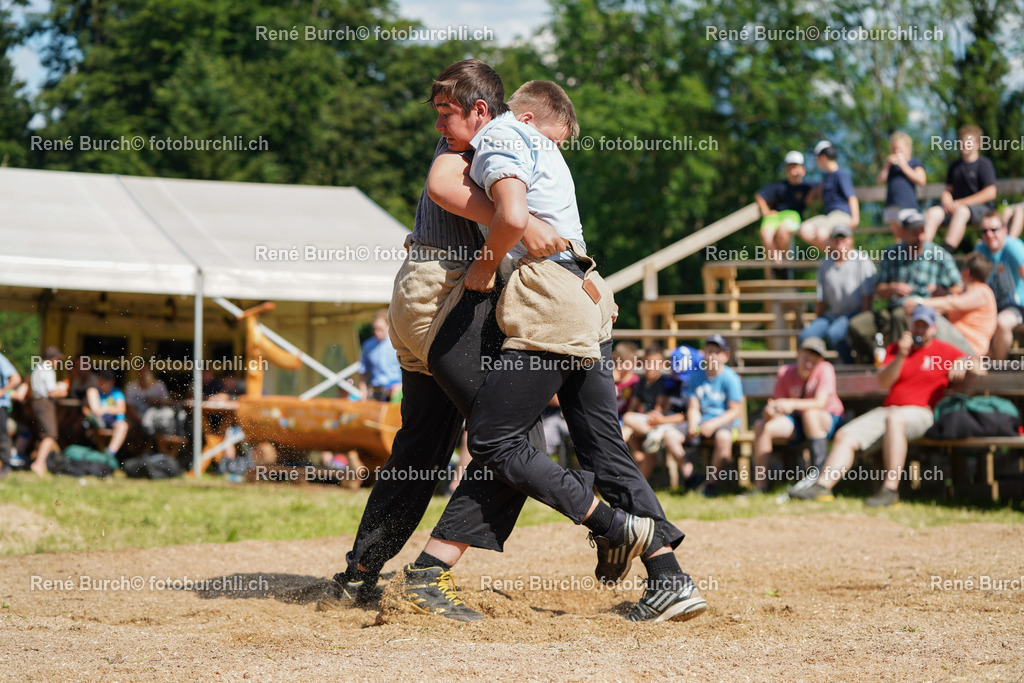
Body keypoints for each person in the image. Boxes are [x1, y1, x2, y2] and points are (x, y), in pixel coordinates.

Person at [329, 67, 700, 624]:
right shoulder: (476, 141)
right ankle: (611, 530)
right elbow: (451, 187)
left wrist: (577, 272)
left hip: (448, 296)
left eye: (444, 110)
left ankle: (363, 573)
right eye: (547, 141)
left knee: (427, 443)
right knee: (512, 440)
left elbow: (530, 221)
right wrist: (519, 230)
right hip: (447, 294)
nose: (543, 156)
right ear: (511, 117)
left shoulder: (496, 141)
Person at [792, 306, 969, 507]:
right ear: (910, 325)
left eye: (924, 326)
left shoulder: (943, 351)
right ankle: (822, 487)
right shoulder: (895, 349)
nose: (920, 330)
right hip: (889, 409)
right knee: (846, 435)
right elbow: (883, 382)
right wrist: (901, 355)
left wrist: (964, 362)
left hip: (921, 413)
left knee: (895, 420)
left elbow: (979, 365)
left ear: (933, 328)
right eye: (916, 325)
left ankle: (890, 490)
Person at [847, 209, 964, 361]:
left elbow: (959, 288)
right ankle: (878, 362)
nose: (920, 237)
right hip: (893, 309)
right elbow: (878, 290)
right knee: (856, 326)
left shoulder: (939, 254)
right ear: (903, 233)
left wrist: (941, 291)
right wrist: (893, 288)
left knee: (899, 317)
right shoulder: (891, 253)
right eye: (915, 233)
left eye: (922, 231)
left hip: (925, 312)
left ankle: (898, 365)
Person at [751, 337, 844, 494]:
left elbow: (820, 403)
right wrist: (769, 412)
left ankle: (818, 479)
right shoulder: (785, 372)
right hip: (798, 420)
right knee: (761, 426)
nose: (809, 364)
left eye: (814, 360)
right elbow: (776, 404)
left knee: (811, 415)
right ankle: (760, 487)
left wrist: (791, 403)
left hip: (828, 419)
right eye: (806, 358)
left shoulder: (826, 369)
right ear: (798, 354)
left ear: (821, 360)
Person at [799, 224, 876, 363]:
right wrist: (816, 321)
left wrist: (864, 322)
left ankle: (849, 366)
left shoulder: (862, 260)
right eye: (837, 238)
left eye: (844, 238)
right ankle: (811, 370)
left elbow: (867, 297)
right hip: (833, 315)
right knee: (806, 336)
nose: (840, 241)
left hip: (855, 313)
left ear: (851, 239)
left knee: (834, 333)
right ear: (831, 241)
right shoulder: (825, 264)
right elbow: (821, 300)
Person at [902, 252, 997, 359]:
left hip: (970, 349)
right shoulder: (965, 293)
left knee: (929, 316)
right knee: (921, 315)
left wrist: (919, 302)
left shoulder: (982, 291)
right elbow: (948, 302)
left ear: (966, 272)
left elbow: (950, 304)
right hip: (959, 342)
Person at [685, 335, 744, 497]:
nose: (712, 356)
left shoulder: (731, 378)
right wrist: (692, 423)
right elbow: (693, 407)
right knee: (671, 435)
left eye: (716, 352)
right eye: (709, 351)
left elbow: (734, 411)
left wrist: (713, 424)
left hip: (725, 422)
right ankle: (691, 477)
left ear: (726, 356)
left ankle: (711, 484)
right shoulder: (695, 377)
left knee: (724, 438)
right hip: (701, 422)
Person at [923, 125, 997, 253]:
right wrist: (946, 199)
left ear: (978, 144)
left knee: (962, 211)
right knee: (932, 212)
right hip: (956, 208)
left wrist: (961, 203)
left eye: (968, 142)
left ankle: (946, 254)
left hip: (982, 209)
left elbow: (990, 193)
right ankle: (922, 252)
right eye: (961, 141)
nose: (963, 144)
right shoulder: (955, 166)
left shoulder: (984, 164)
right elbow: (948, 190)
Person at [974, 210, 1024, 361]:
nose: (989, 234)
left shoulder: (1012, 247)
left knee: (1001, 323)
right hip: (991, 306)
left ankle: (999, 371)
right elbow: (974, 283)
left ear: (1004, 230)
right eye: (984, 231)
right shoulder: (980, 250)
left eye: (994, 230)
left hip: (1017, 306)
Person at [755, 150, 814, 277]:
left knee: (783, 229)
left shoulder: (806, 186)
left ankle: (782, 264)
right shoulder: (779, 186)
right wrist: (766, 211)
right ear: (786, 170)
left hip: (793, 216)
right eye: (790, 168)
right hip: (776, 216)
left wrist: (812, 196)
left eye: (796, 167)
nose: (793, 171)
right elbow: (760, 195)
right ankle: (779, 264)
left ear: (802, 170)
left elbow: (820, 188)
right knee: (765, 233)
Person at [798, 140, 860, 249]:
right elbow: (809, 201)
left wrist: (855, 219)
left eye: (816, 158)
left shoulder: (840, 175)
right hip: (829, 216)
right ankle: (836, 258)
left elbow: (851, 197)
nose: (816, 161)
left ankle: (846, 256)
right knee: (804, 229)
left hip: (841, 214)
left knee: (822, 233)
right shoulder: (826, 178)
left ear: (822, 157)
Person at [876, 131, 926, 239]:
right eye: (894, 149)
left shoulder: (914, 163)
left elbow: (922, 180)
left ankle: (912, 255)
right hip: (892, 206)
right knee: (898, 238)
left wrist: (904, 167)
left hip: (908, 206)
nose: (896, 152)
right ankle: (902, 255)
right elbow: (880, 181)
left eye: (899, 149)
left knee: (911, 235)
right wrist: (886, 166)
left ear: (908, 149)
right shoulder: (891, 167)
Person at [28, 346, 68, 476]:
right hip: (44, 403)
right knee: (50, 435)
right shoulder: (48, 370)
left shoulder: (38, 367)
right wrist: (63, 391)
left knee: (44, 434)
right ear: (53, 359)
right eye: (57, 360)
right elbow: (51, 392)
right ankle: (38, 463)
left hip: (37, 402)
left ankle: (42, 463)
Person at [359, 311, 402, 402]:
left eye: (380, 329)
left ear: (388, 326)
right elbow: (363, 372)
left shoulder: (398, 344)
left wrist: (401, 386)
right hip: (376, 392)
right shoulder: (368, 345)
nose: (377, 332)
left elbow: (408, 369)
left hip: (395, 392)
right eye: (375, 329)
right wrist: (363, 393)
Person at [88, 370, 128, 458]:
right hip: (99, 423)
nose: (103, 384)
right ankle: (102, 455)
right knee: (95, 426)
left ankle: (110, 454)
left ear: (112, 382)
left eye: (106, 382)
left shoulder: (117, 393)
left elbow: (121, 409)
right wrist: (112, 409)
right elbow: (96, 410)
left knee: (123, 426)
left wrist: (105, 409)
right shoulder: (94, 391)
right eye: (101, 381)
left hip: (114, 422)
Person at [0, 341, 22, 478]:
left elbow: (16, 379)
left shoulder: (1, 360)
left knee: (2, 435)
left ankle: (6, 466)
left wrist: (2, 391)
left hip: (0, 405)